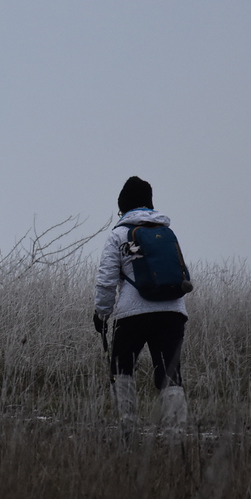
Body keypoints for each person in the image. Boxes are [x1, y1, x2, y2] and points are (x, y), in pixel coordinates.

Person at [93, 176, 190, 436]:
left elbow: (106, 281)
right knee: (170, 372)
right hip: (172, 312)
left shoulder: (118, 235)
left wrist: (102, 314)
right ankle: (176, 434)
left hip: (132, 315)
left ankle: (127, 426)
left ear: (122, 207)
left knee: (122, 368)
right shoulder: (167, 233)